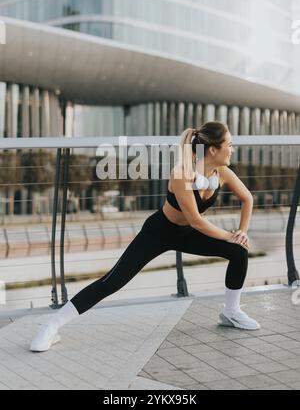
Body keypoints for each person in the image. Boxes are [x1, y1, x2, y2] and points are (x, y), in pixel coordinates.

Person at [30, 121, 260, 352]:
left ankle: (231, 312)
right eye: (229, 144)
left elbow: (247, 198)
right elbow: (196, 220)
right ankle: (50, 327)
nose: (233, 149)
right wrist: (229, 236)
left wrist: (241, 233)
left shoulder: (222, 173)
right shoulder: (182, 174)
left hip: (187, 234)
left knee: (239, 251)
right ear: (213, 150)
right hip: (158, 233)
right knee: (112, 281)